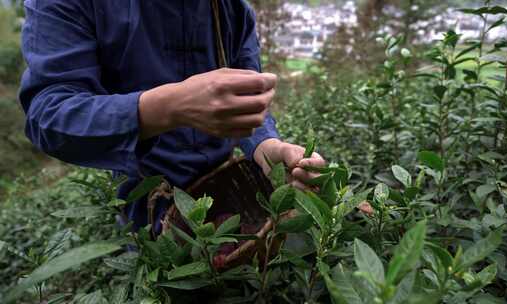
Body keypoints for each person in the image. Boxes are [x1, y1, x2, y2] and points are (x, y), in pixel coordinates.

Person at [19, 0, 325, 233]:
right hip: (145, 211)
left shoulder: (229, 9)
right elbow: (49, 114)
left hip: (230, 195)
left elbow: (245, 96)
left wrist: (267, 146)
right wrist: (167, 107)